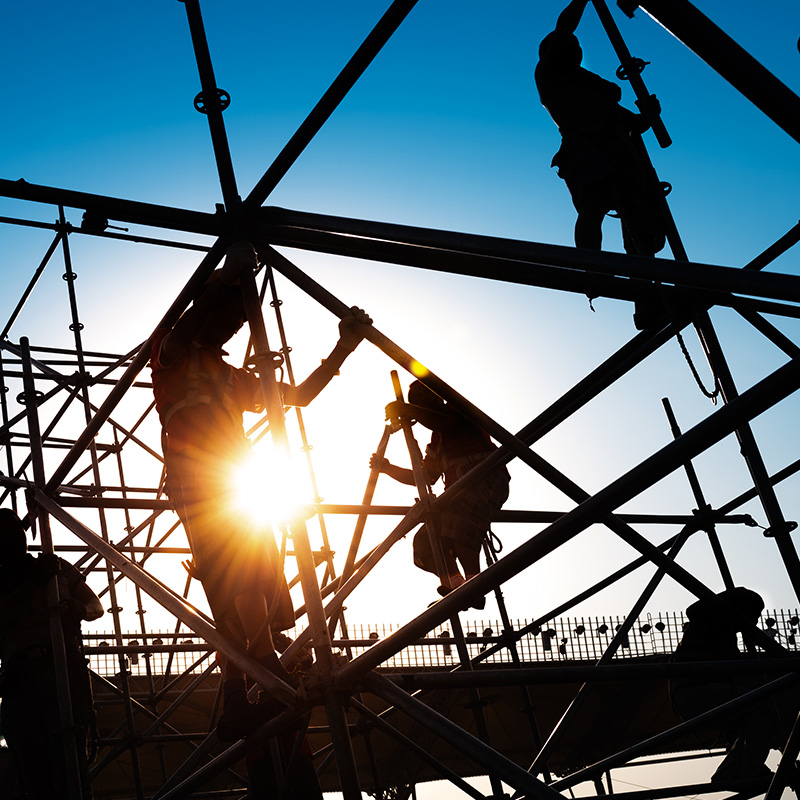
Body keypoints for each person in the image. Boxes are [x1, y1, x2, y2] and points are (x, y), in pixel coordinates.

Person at [150, 241, 371, 716]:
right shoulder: (171, 351)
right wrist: (223, 278)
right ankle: (266, 663)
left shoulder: (232, 376)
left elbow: (299, 396)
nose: (230, 324)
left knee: (231, 577)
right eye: (227, 313)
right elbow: (188, 325)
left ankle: (234, 695)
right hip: (198, 472)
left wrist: (342, 348)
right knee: (241, 562)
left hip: (234, 473)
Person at [535, 0, 667, 326]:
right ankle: (594, 271)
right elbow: (564, 27)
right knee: (593, 208)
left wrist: (649, 115)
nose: (575, 49)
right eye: (568, 45)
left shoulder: (591, 86)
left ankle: (645, 302)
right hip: (586, 152)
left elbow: (632, 123)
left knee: (637, 228)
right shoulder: (551, 76)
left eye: (577, 47)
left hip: (621, 155)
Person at [370, 381, 510, 605]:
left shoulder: (455, 411)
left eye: (423, 400)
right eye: (416, 403)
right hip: (457, 492)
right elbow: (425, 477)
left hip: (486, 478)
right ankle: (455, 585)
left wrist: (407, 409)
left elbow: (447, 423)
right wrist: (388, 468)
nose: (420, 406)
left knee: (458, 521)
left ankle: (473, 586)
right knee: (426, 541)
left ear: (437, 398)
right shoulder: (437, 440)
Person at [0, 508, 104, 800]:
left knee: (70, 760)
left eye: (14, 533)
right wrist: (33, 583)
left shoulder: (57, 568)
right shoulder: (13, 579)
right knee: (34, 771)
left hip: (62, 667)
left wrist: (80, 610)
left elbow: (95, 606)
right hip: (19, 678)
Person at [670, 587, 798, 786]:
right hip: (695, 692)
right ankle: (750, 768)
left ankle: (731, 770)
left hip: (704, 691)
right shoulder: (709, 624)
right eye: (754, 615)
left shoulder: (725, 635)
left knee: (759, 709)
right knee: (763, 706)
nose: (755, 622)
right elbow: (695, 610)